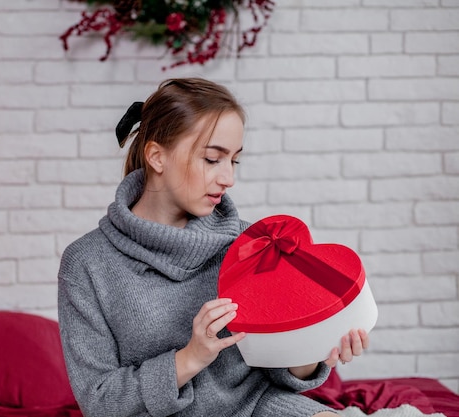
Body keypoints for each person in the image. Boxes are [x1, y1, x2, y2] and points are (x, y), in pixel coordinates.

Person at [57, 77, 369, 417]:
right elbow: (99, 401)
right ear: (157, 157)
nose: (228, 178)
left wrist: (313, 347)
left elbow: (276, 369)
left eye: (233, 161)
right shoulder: (87, 264)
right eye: (212, 159)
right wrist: (190, 358)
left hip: (259, 409)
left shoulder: (253, 245)